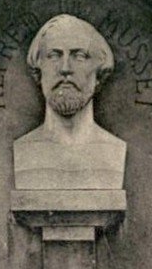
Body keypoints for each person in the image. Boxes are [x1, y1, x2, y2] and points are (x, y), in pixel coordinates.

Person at [13, 15, 126, 190]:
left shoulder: (114, 150)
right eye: (53, 56)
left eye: (79, 56)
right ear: (39, 70)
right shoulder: (24, 149)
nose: (65, 68)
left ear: (99, 73)